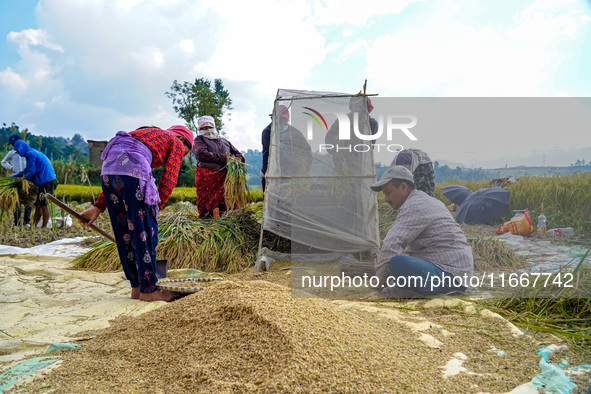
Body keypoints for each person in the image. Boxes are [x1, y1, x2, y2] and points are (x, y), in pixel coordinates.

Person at [79, 125, 194, 302]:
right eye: (186, 152)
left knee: (124, 234)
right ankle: (149, 290)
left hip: (108, 170)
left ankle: (137, 288)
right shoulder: (176, 142)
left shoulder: (151, 136)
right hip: (133, 170)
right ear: (184, 140)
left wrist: (98, 207)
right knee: (145, 232)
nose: (183, 155)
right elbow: (169, 179)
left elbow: (122, 169)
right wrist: (153, 210)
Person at [371, 165, 474, 298]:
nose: (386, 199)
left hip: (451, 277)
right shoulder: (423, 200)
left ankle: (414, 291)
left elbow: (392, 243)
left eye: (388, 192)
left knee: (398, 263)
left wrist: (379, 280)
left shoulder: (415, 205)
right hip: (448, 272)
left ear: (403, 187)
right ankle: (410, 291)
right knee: (396, 265)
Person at [192, 116, 245, 218]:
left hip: (226, 179)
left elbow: (238, 154)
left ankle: (228, 220)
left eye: (210, 127)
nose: (208, 130)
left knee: (227, 200)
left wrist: (237, 160)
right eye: (204, 128)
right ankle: (207, 222)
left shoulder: (224, 142)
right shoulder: (199, 140)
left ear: (214, 127)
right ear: (199, 129)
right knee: (208, 202)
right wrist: (225, 159)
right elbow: (200, 153)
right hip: (208, 179)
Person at [261, 105, 312, 192]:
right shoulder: (267, 132)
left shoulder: (295, 133)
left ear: (287, 120)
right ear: (273, 119)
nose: (281, 124)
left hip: (292, 172)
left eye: (284, 121)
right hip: (274, 171)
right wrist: (265, 171)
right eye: (279, 121)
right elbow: (269, 153)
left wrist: (304, 169)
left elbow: (306, 150)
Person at [11, 136, 58, 229]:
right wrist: (16, 176)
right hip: (44, 181)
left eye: (18, 151)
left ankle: (44, 227)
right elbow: (27, 169)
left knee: (43, 204)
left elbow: (32, 171)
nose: (18, 153)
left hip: (47, 181)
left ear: (22, 148)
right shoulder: (31, 153)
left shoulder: (30, 154)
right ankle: (34, 226)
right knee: (38, 204)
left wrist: (24, 181)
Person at [3, 135, 32, 226]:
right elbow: (3, 162)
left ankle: (26, 222)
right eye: (12, 144)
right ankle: (17, 222)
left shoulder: (28, 152)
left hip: (27, 179)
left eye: (14, 143)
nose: (13, 145)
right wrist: (10, 167)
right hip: (15, 179)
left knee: (28, 200)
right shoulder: (11, 153)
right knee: (16, 200)